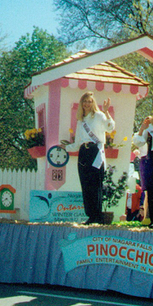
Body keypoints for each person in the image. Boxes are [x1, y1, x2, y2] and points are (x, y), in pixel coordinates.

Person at [60, 92, 116, 224]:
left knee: (95, 185)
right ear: (81, 103)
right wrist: (66, 147)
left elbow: (110, 127)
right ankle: (90, 215)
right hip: (83, 153)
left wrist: (106, 111)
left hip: (95, 152)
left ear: (93, 103)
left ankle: (97, 216)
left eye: (90, 101)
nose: (87, 104)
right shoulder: (81, 121)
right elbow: (77, 143)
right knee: (85, 184)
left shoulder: (99, 115)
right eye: (85, 101)